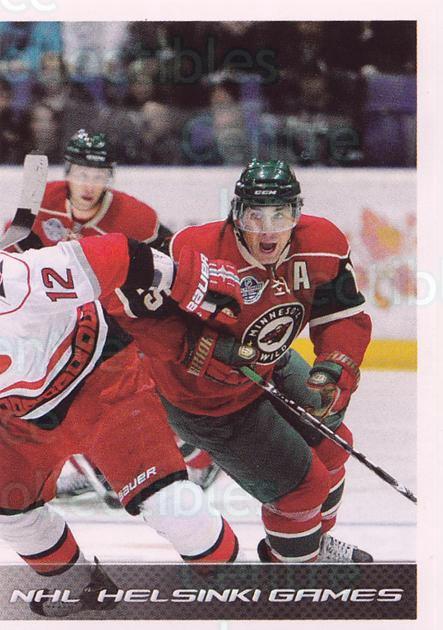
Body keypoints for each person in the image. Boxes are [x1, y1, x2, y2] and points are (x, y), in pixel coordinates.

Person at [116, 159, 373, 563]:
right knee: (301, 489)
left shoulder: (322, 244)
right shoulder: (193, 250)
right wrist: (205, 348)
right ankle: (296, 570)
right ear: (236, 214)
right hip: (203, 400)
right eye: (255, 216)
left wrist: (333, 367)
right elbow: (135, 314)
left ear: (297, 213)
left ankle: (310, 546)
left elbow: (342, 317)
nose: (268, 230)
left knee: (334, 445)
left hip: (271, 364)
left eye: (280, 215)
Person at [0, 231, 242, 617]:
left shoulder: (18, 279)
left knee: (170, 504)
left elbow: (116, 255)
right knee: (9, 510)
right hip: (22, 418)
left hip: (100, 380)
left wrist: (188, 281)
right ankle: (80, 585)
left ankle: (238, 584)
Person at [12, 128, 219, 492]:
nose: (89, 184)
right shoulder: (44, 202)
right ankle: (90, 465)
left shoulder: (136, 217)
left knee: (141, 385)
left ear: (110, 177)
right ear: (68, 172)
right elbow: (16, 255)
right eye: (82, 174)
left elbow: (171, 264)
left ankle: (201, 455)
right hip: (69, 319)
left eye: (99, 175)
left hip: (122, 315)